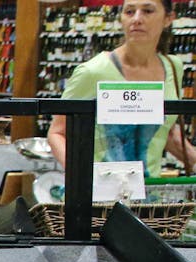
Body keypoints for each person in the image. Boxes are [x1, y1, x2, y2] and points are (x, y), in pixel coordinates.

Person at [48, 0, 196, 176]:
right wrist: (82, 176)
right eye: (129, 12)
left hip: (149, 195)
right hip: (101, 194)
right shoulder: (93, 71)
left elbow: (168, 133)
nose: (137, 19)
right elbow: (57, 133)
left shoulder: (173, 67)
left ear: (168, 18)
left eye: (148, 11)